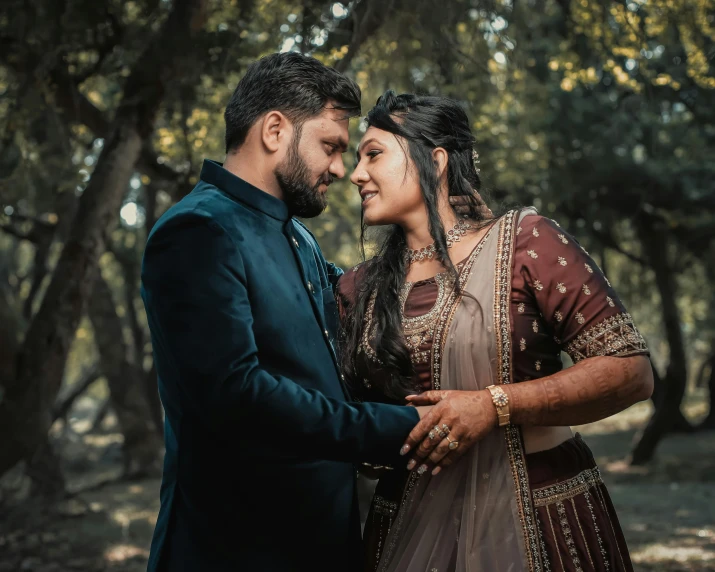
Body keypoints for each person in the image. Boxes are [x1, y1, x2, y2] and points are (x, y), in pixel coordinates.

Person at [337, 90, 654, 572]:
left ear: (435, 160)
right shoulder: (358, 289)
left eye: (374, 154)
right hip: (407, 530)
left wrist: (494, 405)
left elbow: (631, 372)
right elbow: (352, 422)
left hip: (543, 517)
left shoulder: (526, 242)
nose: (357, 174)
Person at [140, 55, 432, 572]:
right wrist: (392, 429)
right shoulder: (196, 232)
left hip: (321, 540)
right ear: (274, 129)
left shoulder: (297, 235)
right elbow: (237, 394)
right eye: (330, 147)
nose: (341, 169)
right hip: (235, 549)